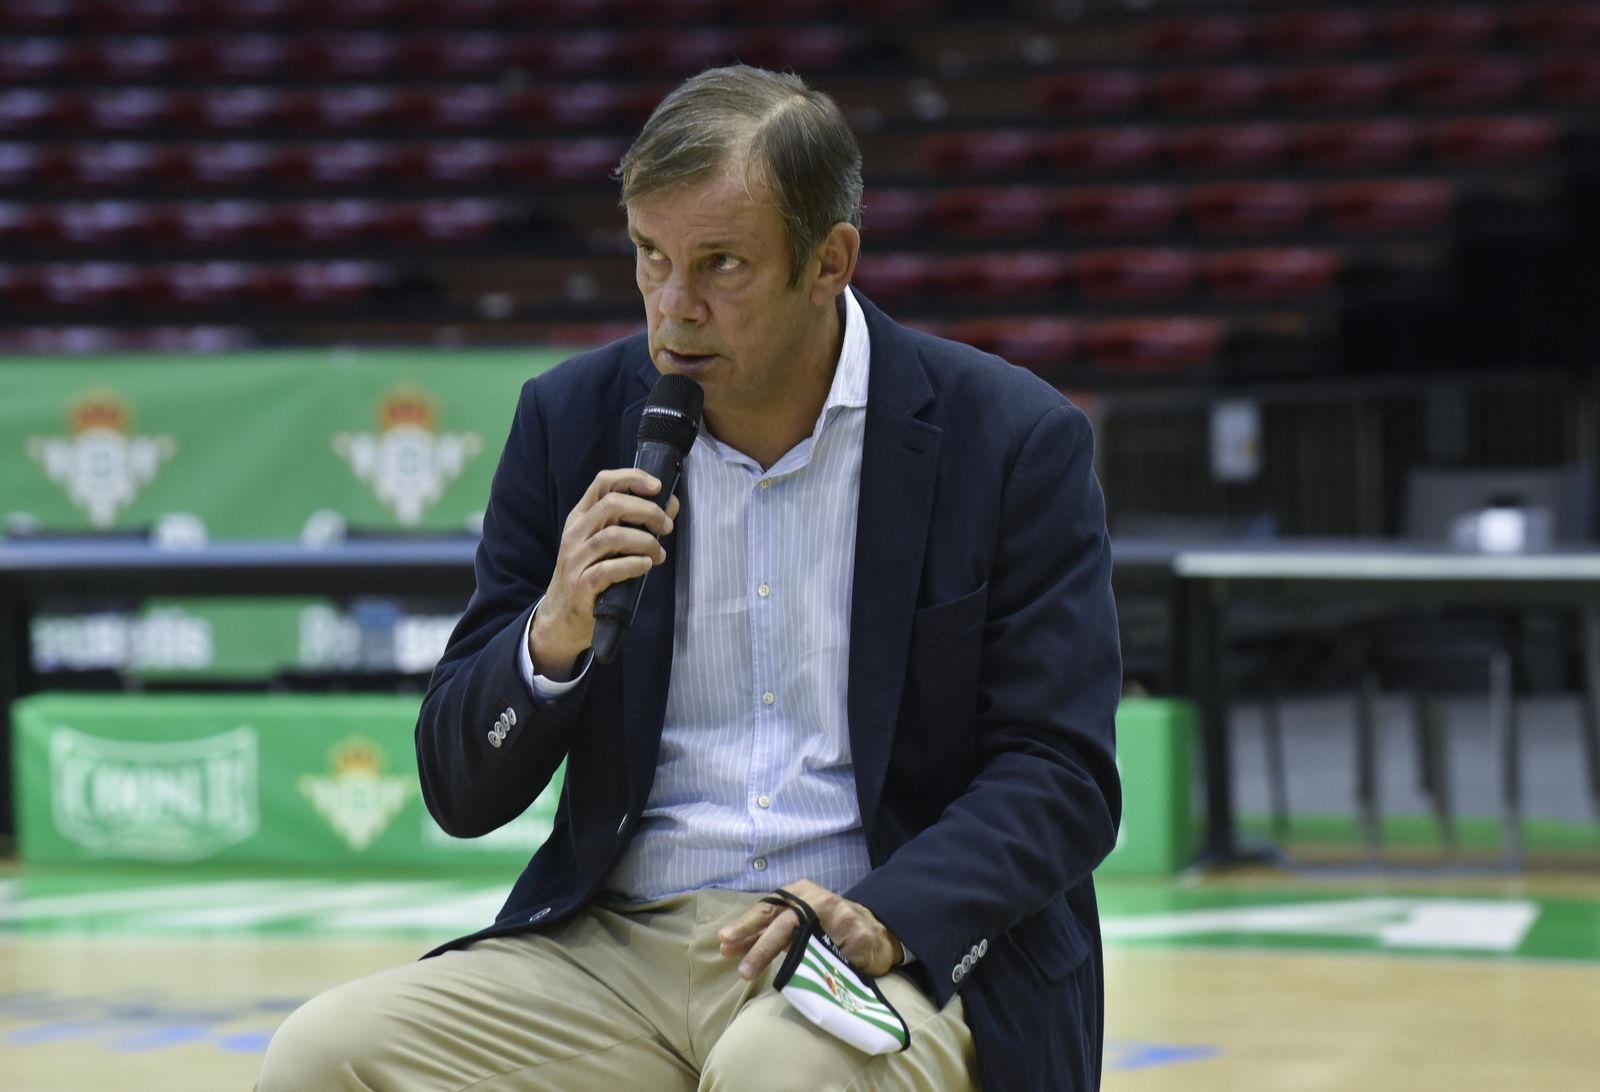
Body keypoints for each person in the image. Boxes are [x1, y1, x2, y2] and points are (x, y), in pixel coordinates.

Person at [258, 64, 1121, 1092]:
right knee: (323, 1055)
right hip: (614, 950)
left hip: (876, 944)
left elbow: (1061, 772)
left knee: (777, 1070)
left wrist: (888, 915)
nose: (674, 310)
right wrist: (552, 635)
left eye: (720, 265)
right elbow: (459, 787)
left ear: (829, 261)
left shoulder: (1009, 439)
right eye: (649, 257)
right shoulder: (571, 420)